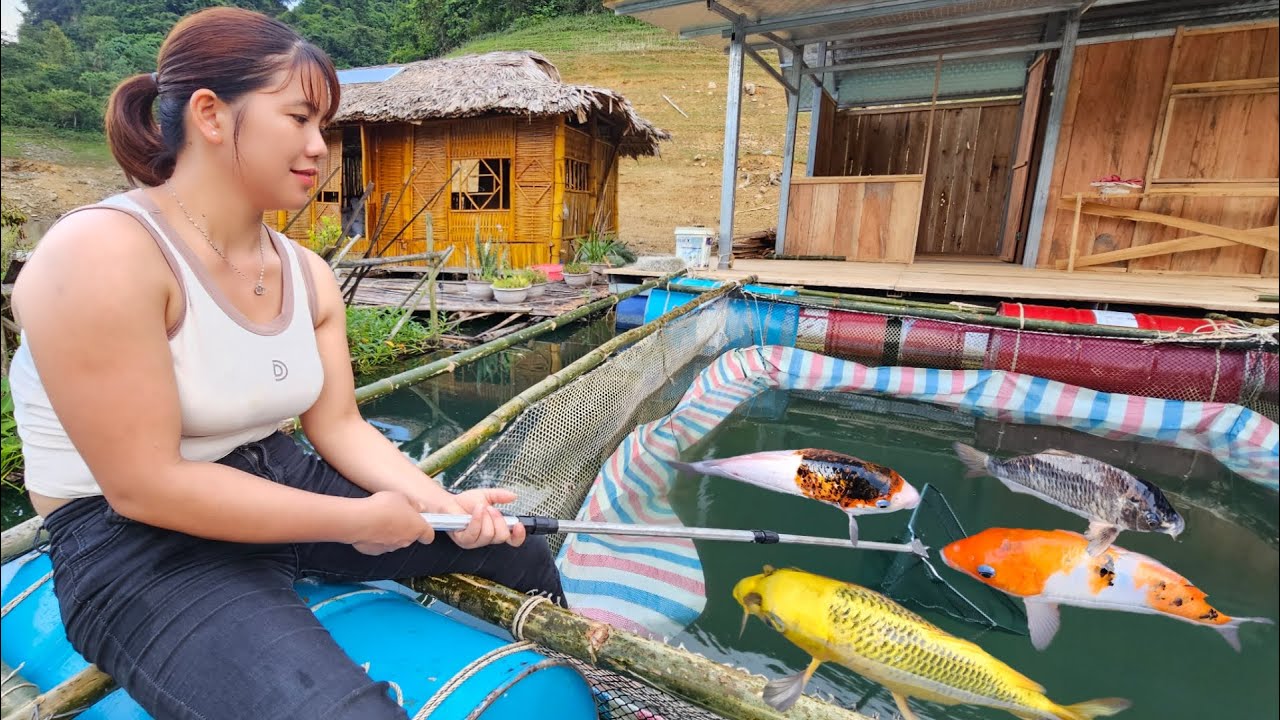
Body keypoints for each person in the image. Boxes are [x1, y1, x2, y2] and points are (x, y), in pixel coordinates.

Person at [8, 7, 565, 719]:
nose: (319, 146)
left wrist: (441, 507)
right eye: (298, 118)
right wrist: (355, 520)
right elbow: (144, 487)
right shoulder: (102, 254)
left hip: (273, 471)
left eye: (324, 126)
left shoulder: (306, 272)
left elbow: (339, 427)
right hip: (133, 541)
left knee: (519, 554)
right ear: (211, 114)